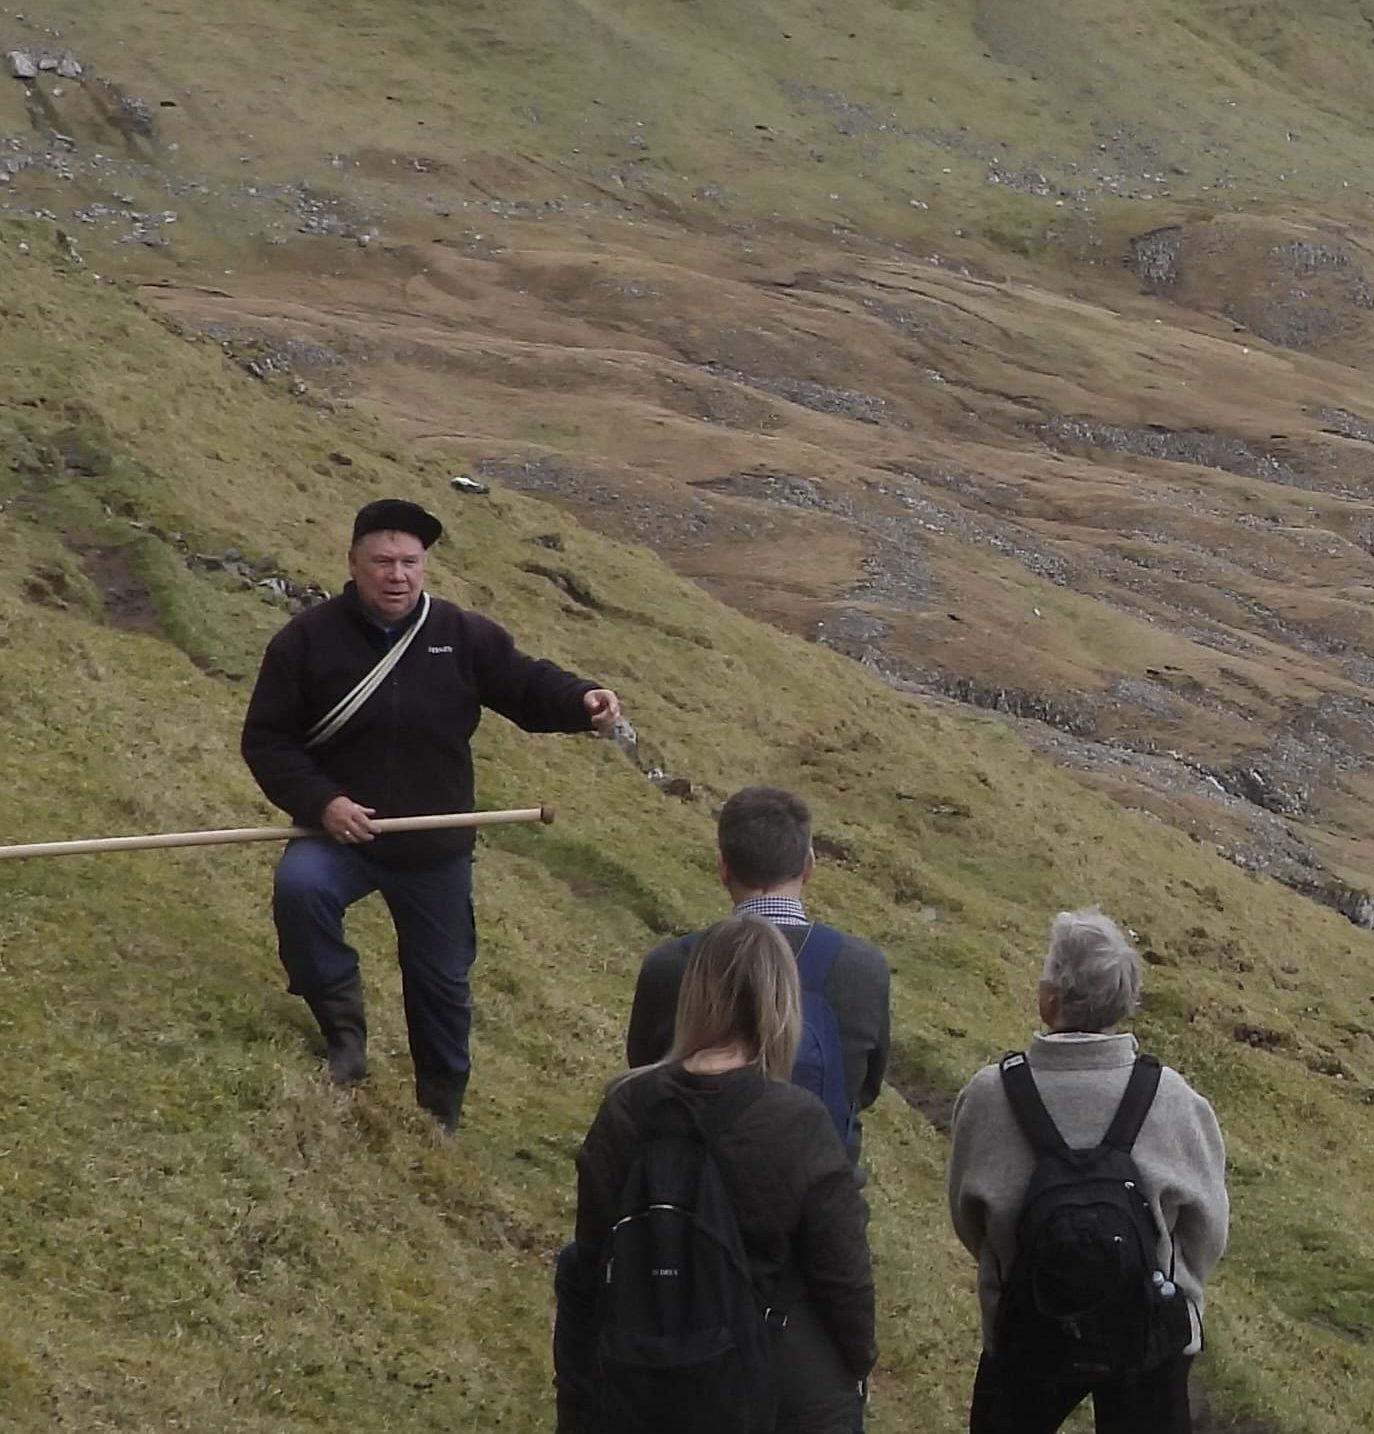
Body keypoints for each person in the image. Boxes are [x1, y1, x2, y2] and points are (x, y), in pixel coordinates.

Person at [240, 498, 621, 1130]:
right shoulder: (304, 642)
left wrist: (582, 699)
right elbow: (267, 741)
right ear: (353, 563)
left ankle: (440, 1110)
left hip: (435, 849)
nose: (397, 575)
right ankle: (343, 1031)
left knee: (442, 985)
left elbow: (525, 684)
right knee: (300, 891)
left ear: (424, 566)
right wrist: (322, 802)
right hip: (340, 838)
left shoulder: (463, 635)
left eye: (410, 562)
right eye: (382, 562)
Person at [559, 916, 876, 1434]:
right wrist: (859, 1364)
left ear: (693, 995)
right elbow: (844, 1278)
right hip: (766, 1386)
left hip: (637, 1364)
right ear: (781, 1002)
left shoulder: (624, 1107)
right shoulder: (797, 1121)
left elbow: (591, 1258)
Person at [948, 908, 1228, 1434]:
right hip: (1150, 1328)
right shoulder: (1175, 1100)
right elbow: (1207, 1233)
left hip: (1024, 1327)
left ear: (1050, 998)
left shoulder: (988, 1095)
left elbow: (968, 1220)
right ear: (1125, 999)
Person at [627, 786, 890, 1165]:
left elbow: (644, 1075)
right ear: (809, 865)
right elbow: (865, 1089)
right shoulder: (863, 967)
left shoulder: (670, 966)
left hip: (690, 1186)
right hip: (817, 1186)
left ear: (723, 867)